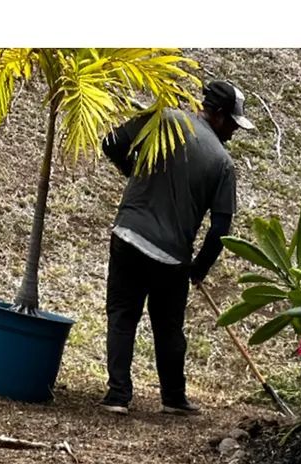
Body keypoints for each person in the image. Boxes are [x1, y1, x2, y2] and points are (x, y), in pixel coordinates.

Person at [101, 78, 253, 414]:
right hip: (172, 257)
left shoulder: (164, 119)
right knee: (168, 327)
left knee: (123, 316)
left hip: (128, 235)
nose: (234, 131)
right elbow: (221, 228)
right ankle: (173, 399)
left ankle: (118, 396)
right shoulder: (223, 164)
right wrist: (200, 267)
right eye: (232, 123)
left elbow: (111, 143)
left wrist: (136, 173)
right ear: (216, 113)